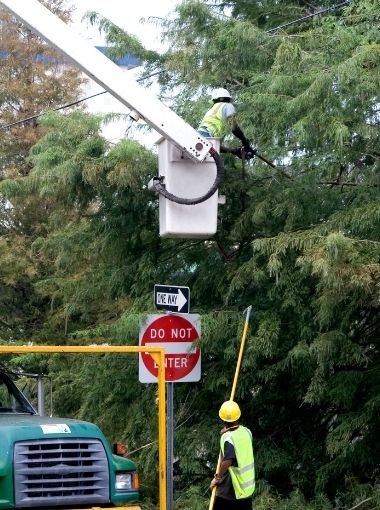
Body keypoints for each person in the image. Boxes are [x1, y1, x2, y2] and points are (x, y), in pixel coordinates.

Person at [210, 400, 255, 510]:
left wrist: (217, 478)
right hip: (246, 488)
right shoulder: (247, 432)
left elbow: (228, 461)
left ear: (222, 419)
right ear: (238, 417)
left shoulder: (228, 438)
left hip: (232, 489)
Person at [198, 88, 256, 159]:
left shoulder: (211, 111)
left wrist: (235, 151)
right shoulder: (227, 106)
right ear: (228, 99)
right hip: (207, 136)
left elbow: (215, 148)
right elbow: (234, 128)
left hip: (199, 137)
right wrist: (245, 142)